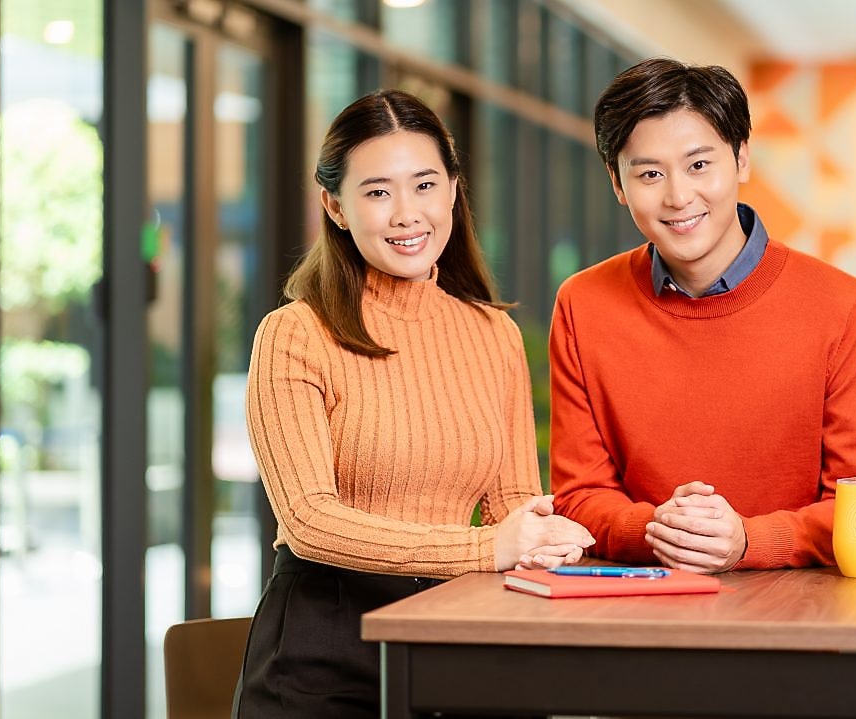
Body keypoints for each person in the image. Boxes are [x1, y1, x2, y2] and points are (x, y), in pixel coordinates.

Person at [233, 89, 594, 718]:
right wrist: (486, 549)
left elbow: (512, 503)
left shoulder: (493, 334)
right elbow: (309, 521)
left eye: (424, 185)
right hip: (326, 646)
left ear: (452, 190)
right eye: (377, 192)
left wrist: (544, 539)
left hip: (458, 626)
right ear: (335, 206)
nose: (407, 214)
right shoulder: (294, 334)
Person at [550, 58, 856, 574]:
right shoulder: (583, 304)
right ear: (617, 184)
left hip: (802, 610)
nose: (678, 197)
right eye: (650, 174)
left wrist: (747, 541)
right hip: (640, 604)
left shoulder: (845, 307)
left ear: (741, 159)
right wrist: (660, 530)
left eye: (698, 165)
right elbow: (578, 496)